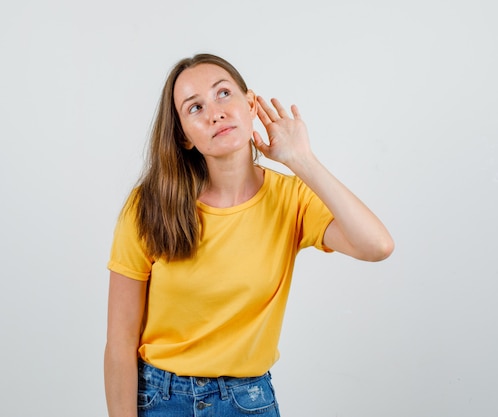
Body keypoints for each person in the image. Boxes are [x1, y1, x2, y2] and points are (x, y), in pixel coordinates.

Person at [104, 53, 394, 417]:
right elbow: (119, 342)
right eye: (195, 108)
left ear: (251, 104)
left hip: (247, 401)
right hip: (159, 399)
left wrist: (302, 159)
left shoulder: (292, 199)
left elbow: (377, 246)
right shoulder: (149, 205)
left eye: (223, 93)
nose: (214, 112)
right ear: (184, 137)